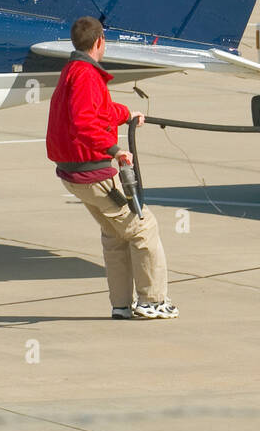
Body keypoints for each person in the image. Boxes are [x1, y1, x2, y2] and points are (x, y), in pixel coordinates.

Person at [47, 16, 177, 320]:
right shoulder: (86, 76)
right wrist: (116, 150)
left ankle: (121, 305)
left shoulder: (74, 71)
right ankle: (152, 300)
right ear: (99, 43)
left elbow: (96, 110)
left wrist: (125, 114)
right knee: (144, 227)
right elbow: (83, 122)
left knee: (116, 234)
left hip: (74, 171)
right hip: (92, 172)